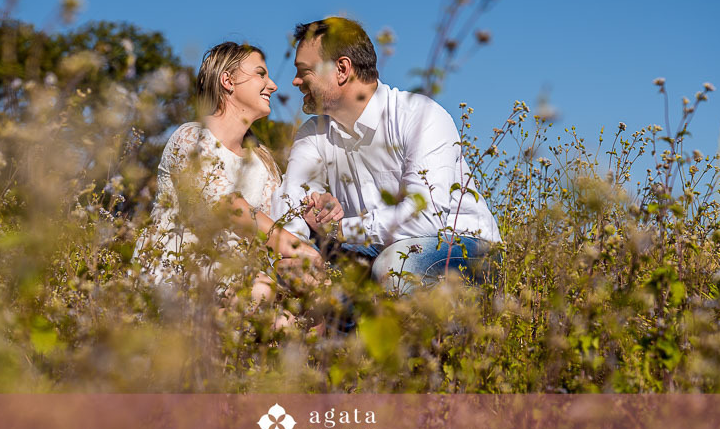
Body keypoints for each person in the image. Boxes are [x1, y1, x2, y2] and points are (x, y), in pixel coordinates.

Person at [273, 17, 502, 294]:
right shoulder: (312, 134)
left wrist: (340, 230)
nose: (295, 81)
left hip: (461, 246)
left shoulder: (419, 116)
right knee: (296, 271)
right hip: (374, 250)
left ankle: (454, 334)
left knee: (395, 268)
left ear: (342, 69)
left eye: (304, 70)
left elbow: (426, 218)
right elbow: (291, 199)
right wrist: (297, 251)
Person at [146, 41, 325, 304]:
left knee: (313, 288)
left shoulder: (262, 162)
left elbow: (277, 219)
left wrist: (315, 209)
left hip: (245, 274)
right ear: (228, 81)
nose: (273, 85)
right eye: (261, 74)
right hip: (185, 269)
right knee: (262, 292)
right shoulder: (190, 138)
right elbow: (227, 206)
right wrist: (296, 248)